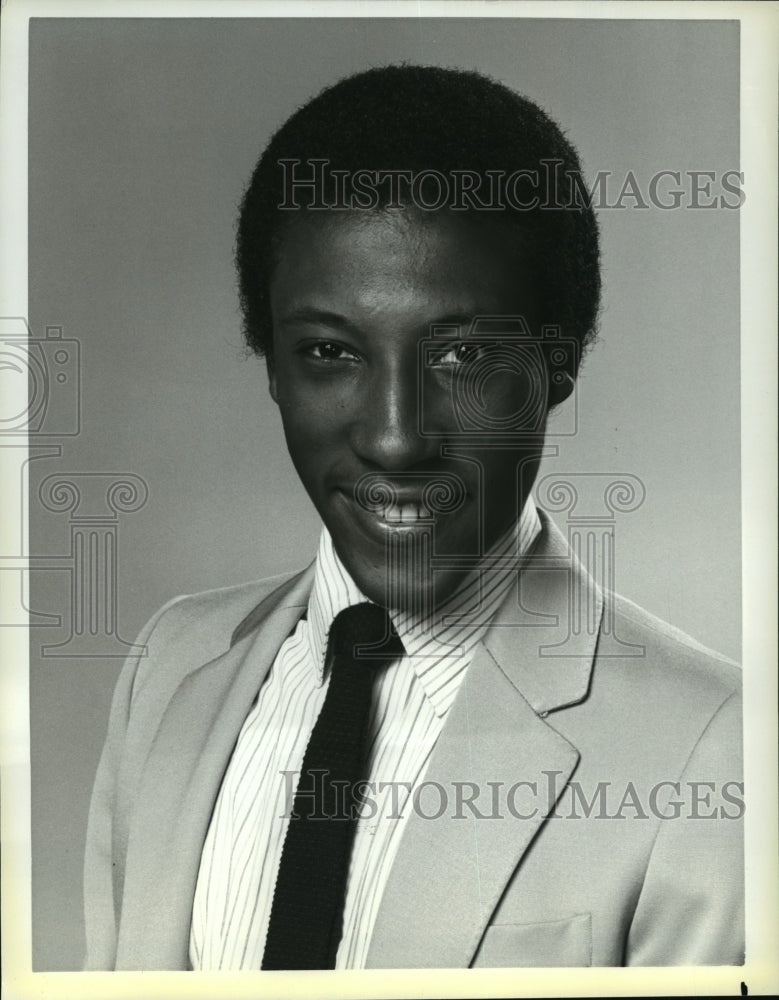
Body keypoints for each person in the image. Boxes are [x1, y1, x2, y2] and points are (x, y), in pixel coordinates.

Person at [83, 65, 743, 970]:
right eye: (329, 351)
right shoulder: (168, 667)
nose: (394, 439)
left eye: (463, 355)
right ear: (270, 364)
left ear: (557, 366)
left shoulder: (716, 745)